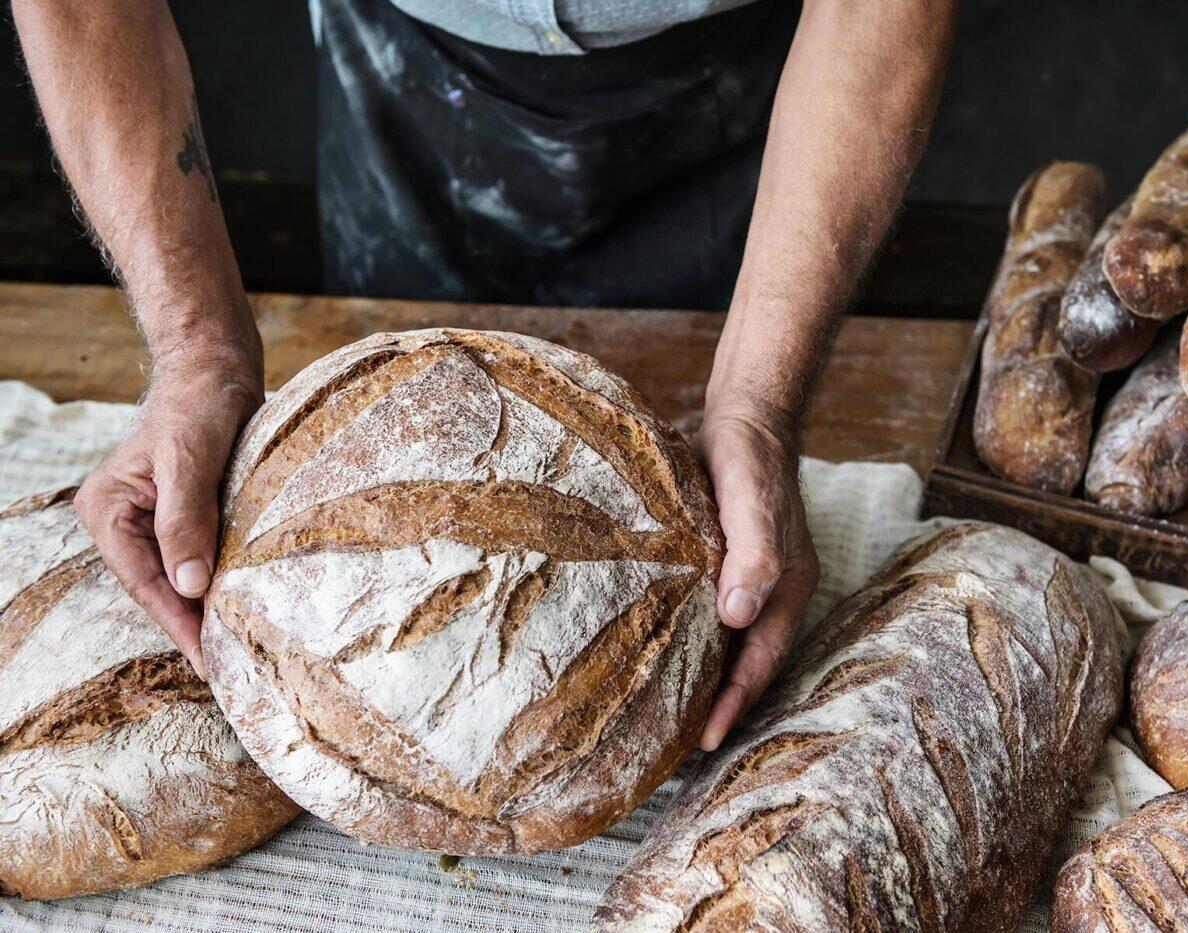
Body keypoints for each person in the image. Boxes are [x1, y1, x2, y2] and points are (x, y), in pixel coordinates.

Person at [13, 0, 957, 751]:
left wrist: (759, 402)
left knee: (703, 527)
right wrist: (196, 352)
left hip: (767, 100)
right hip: (404, 63)